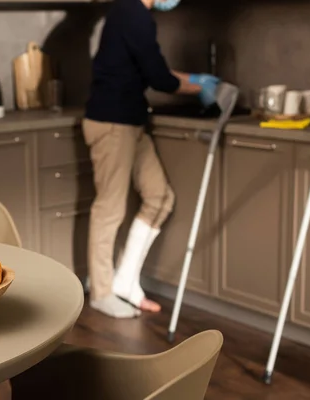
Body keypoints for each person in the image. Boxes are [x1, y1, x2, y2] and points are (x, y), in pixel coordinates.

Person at [82, 0, 220, 318]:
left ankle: (125, 282)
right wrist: (196, 86)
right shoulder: (132, 13)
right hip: (112, 124)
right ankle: (101, 293)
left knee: (159, 197)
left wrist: (194, 79)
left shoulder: (130, 13)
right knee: (109, 209)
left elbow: (149, 68)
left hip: (130, 121)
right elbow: (159, 78)